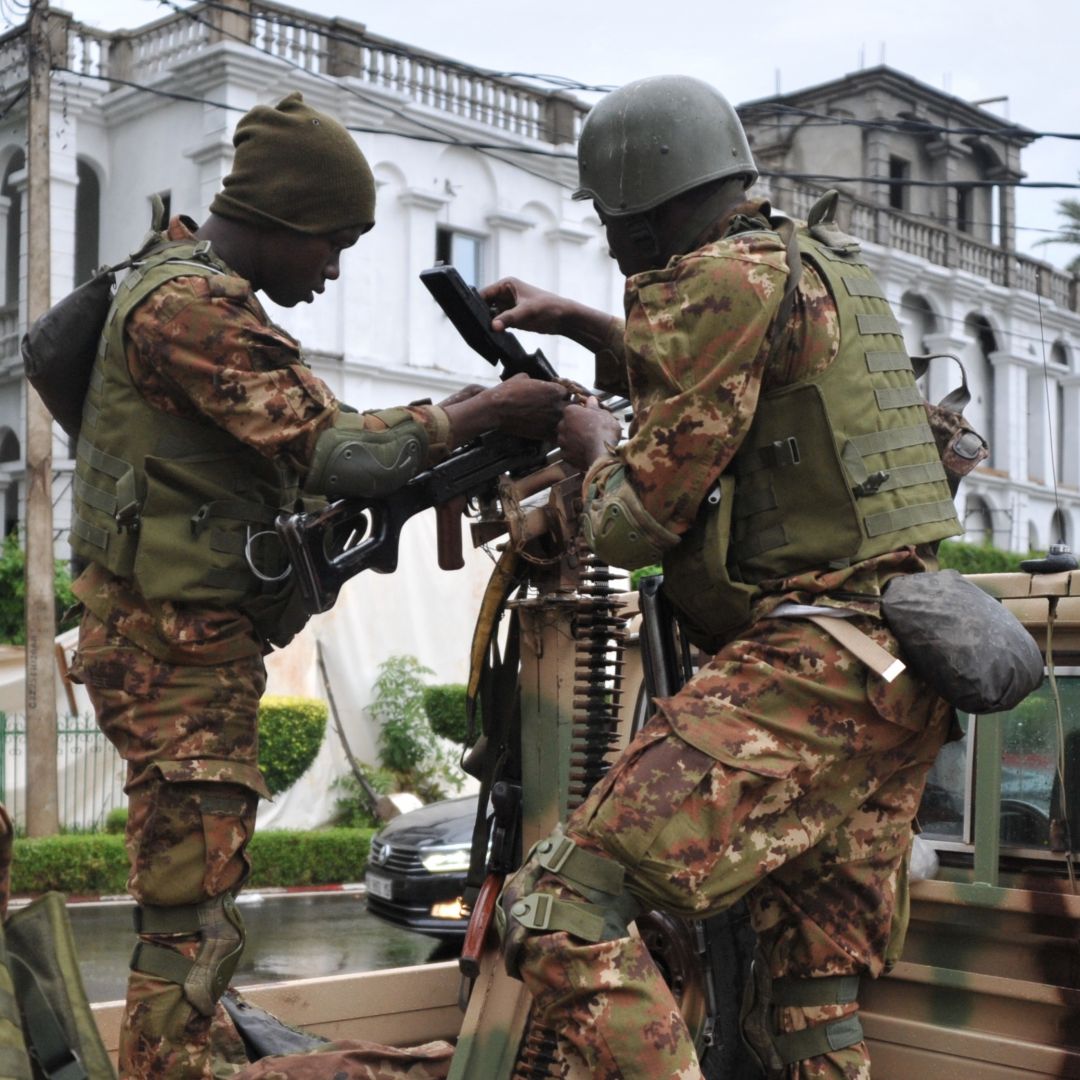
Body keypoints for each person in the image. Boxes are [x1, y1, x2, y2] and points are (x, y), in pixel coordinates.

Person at [67, 91, 566, 1080]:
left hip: (181, 646)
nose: (333, 269)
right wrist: (485, 412)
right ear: (284, 218)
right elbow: (341, 449)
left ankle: (192, 1056)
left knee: (198, 904)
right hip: (172, 656)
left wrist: (455, 419)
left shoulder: (199, 296)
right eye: (330, 243)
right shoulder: (194, 308)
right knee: (186, 909)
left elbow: (306, 443)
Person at [483, 74, 961, 1080]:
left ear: (643, 205)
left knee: (559, 905)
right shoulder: (816, 267)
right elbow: (743, 385)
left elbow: (633, 524)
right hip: (898, 670)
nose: (609, 242)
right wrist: (584, 327)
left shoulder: (710, 280)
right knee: (810, 997)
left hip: (809, 664)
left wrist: (587, 441)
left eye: (609, 221)